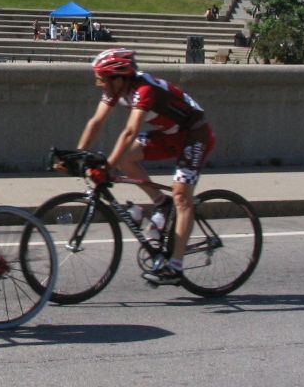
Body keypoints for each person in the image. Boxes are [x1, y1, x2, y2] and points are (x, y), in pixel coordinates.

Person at [71, 48, 216, 286]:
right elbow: (96, 121)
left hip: (194, 135)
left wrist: (107, 168)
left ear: (118, 79)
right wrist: (77, 155)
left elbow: (129, 132)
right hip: (168, 134)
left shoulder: (144, 90)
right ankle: (161, 202)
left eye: (102, 79)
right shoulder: (117, 89)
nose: (99, 84)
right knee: (127, 158)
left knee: (181, 195)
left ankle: (175, 267)